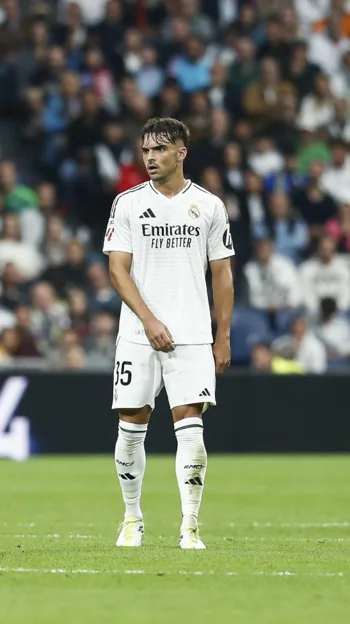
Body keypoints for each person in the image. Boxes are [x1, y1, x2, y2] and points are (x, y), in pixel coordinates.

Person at [103, 117, 234, 549]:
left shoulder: (210, 206)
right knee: (131, 424)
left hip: (193, 334)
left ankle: (190, 526)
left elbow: (223, 274)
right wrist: (148, 320)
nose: (150, 158)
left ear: (181, 153)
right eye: (145, 151)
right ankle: (131, 517)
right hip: (139, 335)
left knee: (191, 425)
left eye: (159, 150)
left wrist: (223, 335)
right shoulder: (127, 204)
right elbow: (117, 270)